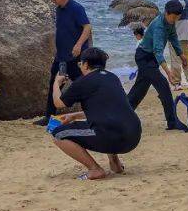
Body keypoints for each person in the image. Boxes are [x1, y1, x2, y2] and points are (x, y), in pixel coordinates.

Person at [51, 47, 143, 180]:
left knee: (58, 134)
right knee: (107, 120)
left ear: (86, 64)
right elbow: (109, 108)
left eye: (80, 63)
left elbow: (59, 103)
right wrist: (75, 116)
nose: (80, 66)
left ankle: (95, 169)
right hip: (134, 136)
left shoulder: (83, 82)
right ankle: (115, 163)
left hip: (113, 136)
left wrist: (56, 83)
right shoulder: (113, 78)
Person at [128, 0, 188, 129]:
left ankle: (123, 114)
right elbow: (157, 51)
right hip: (144, 58)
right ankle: (172, 122)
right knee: (163, 86)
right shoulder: (158, 26)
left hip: (151, 59)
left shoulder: (170, 22)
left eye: (177, 18)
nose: (174, 20)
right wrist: (168, 72)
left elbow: (173, 37)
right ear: (166, 13)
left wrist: (181, 55)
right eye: (173, 17)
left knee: (139, 90)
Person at [37, 0, 93, 126]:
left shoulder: (76, 8)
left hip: (75, 58)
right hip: (61, 58)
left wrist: (79, 45)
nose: (53, 0)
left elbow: (87, 27)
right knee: (54, 84)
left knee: (82, 86)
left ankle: (93, 114)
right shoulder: (59, 9)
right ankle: (48, 117)